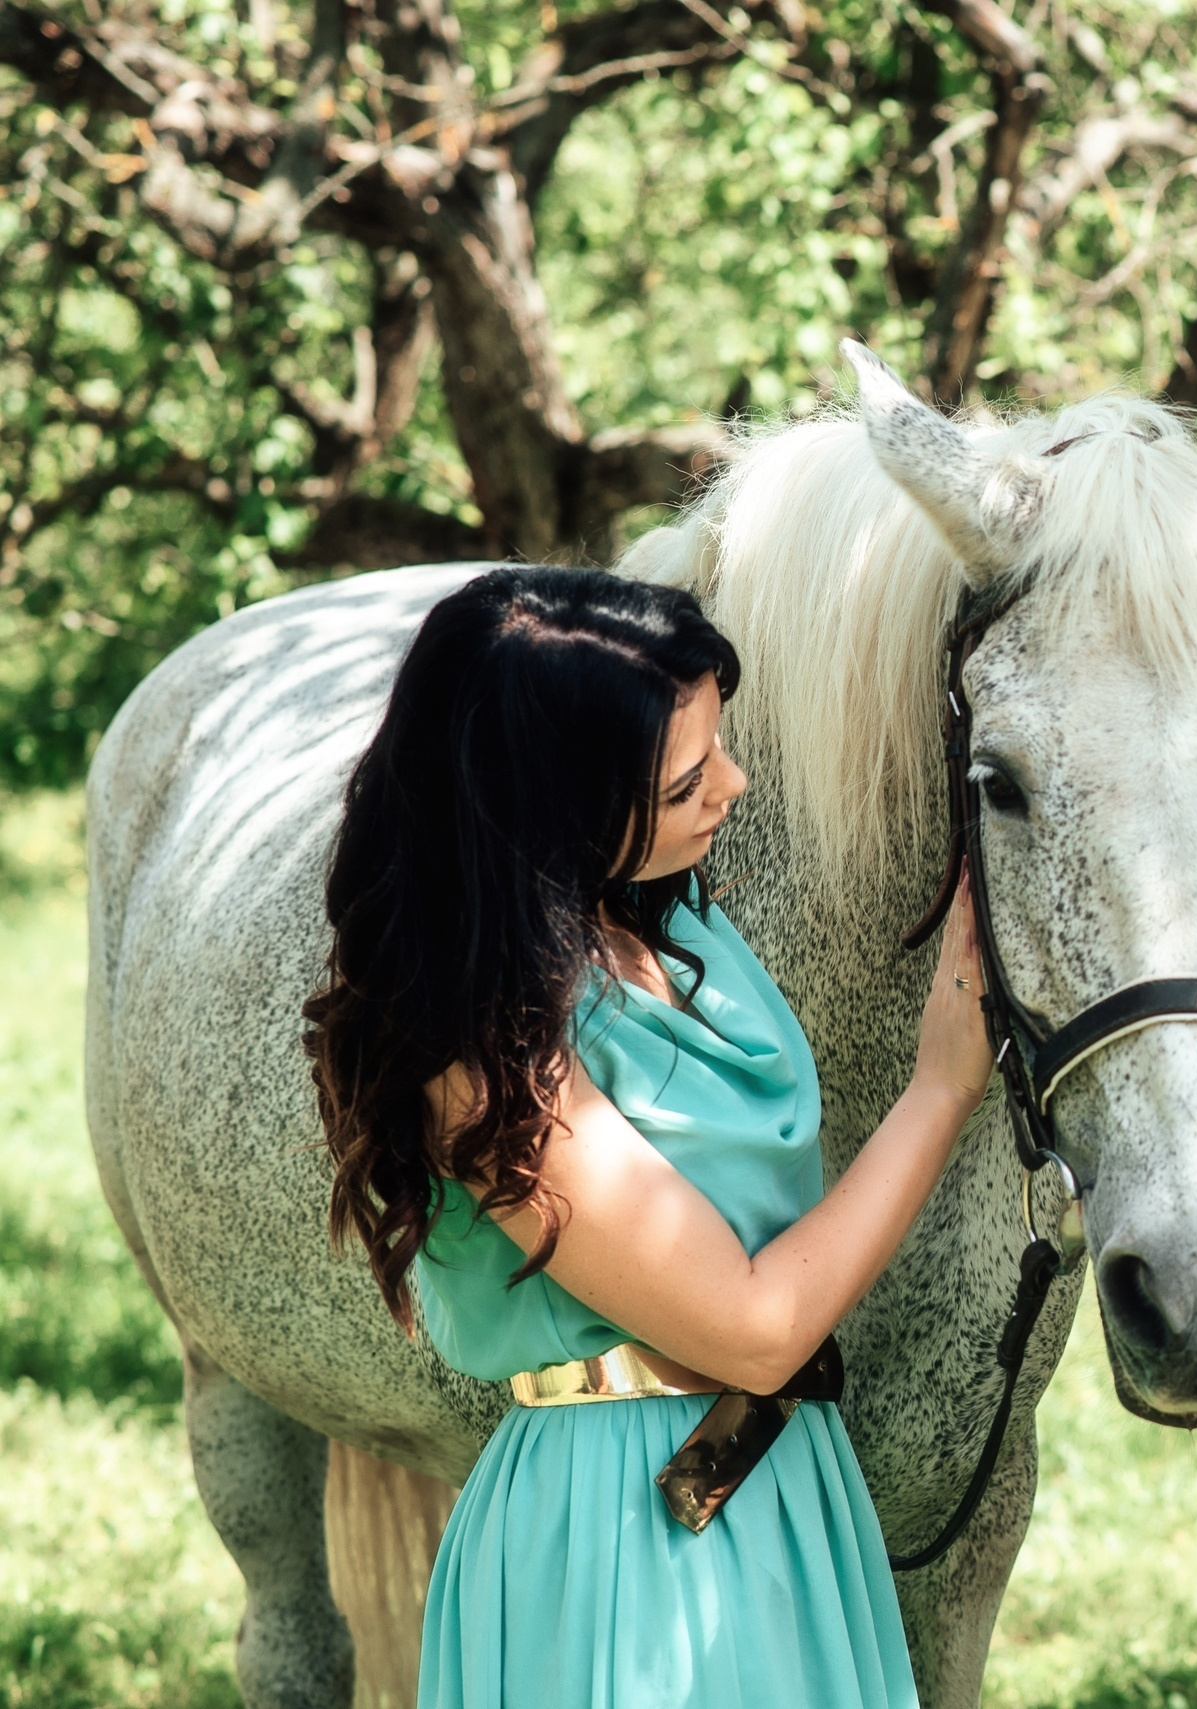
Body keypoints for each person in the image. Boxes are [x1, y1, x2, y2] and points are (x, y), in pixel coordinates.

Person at [307, 566, 992, 1708]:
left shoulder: (668, 929)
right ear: (555, 806)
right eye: (686, 781)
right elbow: (758, 1329)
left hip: (778, 1479)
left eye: (718, 747)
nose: (735, 783)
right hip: (623, 1537)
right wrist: (941, 1086)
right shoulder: (477, 1053)